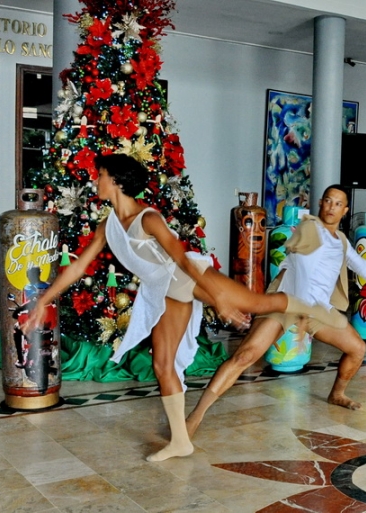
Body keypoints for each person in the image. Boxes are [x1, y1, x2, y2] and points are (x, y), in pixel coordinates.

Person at [22, 154, 343, 462]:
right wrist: (44, 300)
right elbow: (79, 268)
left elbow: (181, 259)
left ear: (117, 181)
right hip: (162, 291)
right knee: (163, 365)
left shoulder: (148, 218)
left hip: (186, 278)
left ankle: (311, 305)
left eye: (101, 175)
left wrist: (218, 298)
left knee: (259, 303)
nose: (97, 181)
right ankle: (180, 441)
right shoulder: (109, 225)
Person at [186, 185, 366, 435]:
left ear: (345, 211)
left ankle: (337, 394)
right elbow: (304, 268)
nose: (332, 207)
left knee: (357, 349)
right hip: (286, 300)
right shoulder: (308, 229)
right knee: (245, 356)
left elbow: (360, 265)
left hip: (317, 307)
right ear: (320, 203)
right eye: (328, 201)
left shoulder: (340, 241)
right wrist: (302, 317)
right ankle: (195, 416)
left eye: (338, 204)